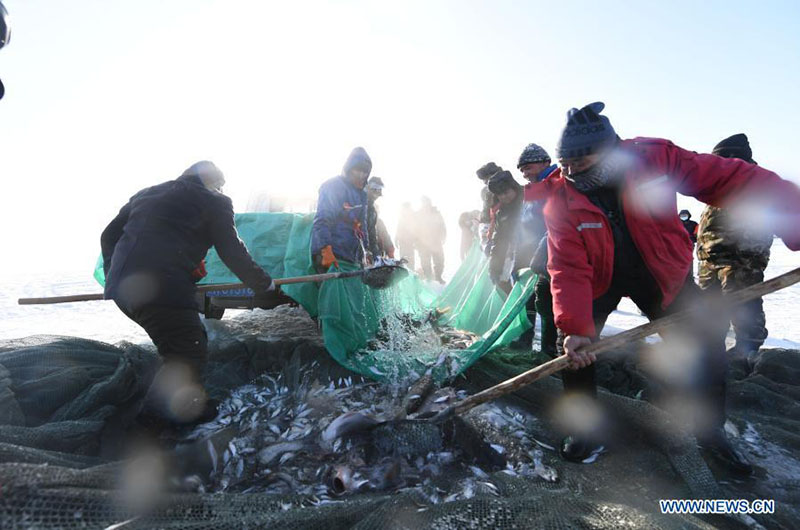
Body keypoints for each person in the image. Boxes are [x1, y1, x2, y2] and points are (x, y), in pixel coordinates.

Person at [531, 102, 800, 474]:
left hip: (664, 276)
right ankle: (584, 431)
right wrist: (575, 327)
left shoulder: (654, 159)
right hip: (597, 279)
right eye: (567, 165)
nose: (573, 172)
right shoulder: (560, 197)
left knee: (705, 350)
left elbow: (732, 180)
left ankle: (710, 434)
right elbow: (567, 266)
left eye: (582, 163)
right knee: (577, 354)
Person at [101, 161, 276, 424]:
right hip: (161, 289)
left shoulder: (147, 193)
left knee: (183, 341)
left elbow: (108, 236)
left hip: (122, 291)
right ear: (212, 182)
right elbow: (233, 252)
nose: (220, 190)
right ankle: (150, 424)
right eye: (220, 185)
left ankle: (189, 402)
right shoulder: (215, 201)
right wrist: (266, 286)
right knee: (186, 352)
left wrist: (113, 273)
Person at [696, 134, 773, 361]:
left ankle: (748, 352)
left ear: (733, 158)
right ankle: (711, 351)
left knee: (744, 304)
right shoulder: (722, 184)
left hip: (739, 260)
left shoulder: (755, 183)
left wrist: (747, 257)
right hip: (710, 260)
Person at [516, 143, 559, 355]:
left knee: (549, 305)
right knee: (534, 302)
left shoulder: (555, 183)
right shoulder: (534, 190)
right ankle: (531, 343)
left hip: (552, 256)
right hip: (534, 258)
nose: (525, 172)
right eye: (522, 169)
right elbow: (525, 226)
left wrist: (543, 253)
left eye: (528, 167)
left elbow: (555, 223)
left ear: (545, 162)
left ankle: (550, 351)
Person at [311, 147, 371, 273]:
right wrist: (325, 250)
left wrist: (366, 250)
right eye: (358, 170)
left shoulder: (363, 195)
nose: (361, 175)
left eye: (365, 172)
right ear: (349, 169)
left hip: (352, 259)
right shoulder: (333, 186)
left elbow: (363, 226)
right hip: (331, 256)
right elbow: (322, 220)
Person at [486, 171, 523, 295]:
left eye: (506, 192)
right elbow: (499, 241)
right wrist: (494, 268)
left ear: (513, 187)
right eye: (499, 195)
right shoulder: (501, 214)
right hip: (518, 259)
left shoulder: (530, 200)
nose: (503, 197)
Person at [416, 196, 447, 283]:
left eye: (427, 202)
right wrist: (416, 242)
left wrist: (443, 236)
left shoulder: (436, 213)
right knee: (425, 261)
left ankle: (438, 277)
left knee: (440, 260)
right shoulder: (418, 215)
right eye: (424, 202)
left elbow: (442, 225)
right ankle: (429, 278)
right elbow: (414, 229)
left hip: (436, 241)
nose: (426, 204)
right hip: (422, 242)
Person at [366, 177, 395, 260]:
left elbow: (373, 236)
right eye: (374, 192)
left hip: (369, 252)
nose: (376, 197)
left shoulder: (373, 213)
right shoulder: (358, 203)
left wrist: (376, 256)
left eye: (378, 194)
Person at [476, 162, 503, 247]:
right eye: (484, 179)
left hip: (499, 225)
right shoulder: (485, 191)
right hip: (488, 225)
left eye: (487, 178)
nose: (485, 182)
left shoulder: (505, 185)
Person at [396, 202, 418, 270]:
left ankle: (411, 272)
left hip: (410, 243)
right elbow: (398, 229)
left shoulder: (413, 217)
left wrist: (416, 241)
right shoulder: (402, 217)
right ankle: (405, 272)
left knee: (410, 260)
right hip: (403, 243)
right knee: (403, 260)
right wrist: (396, 238)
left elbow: (417, 230)